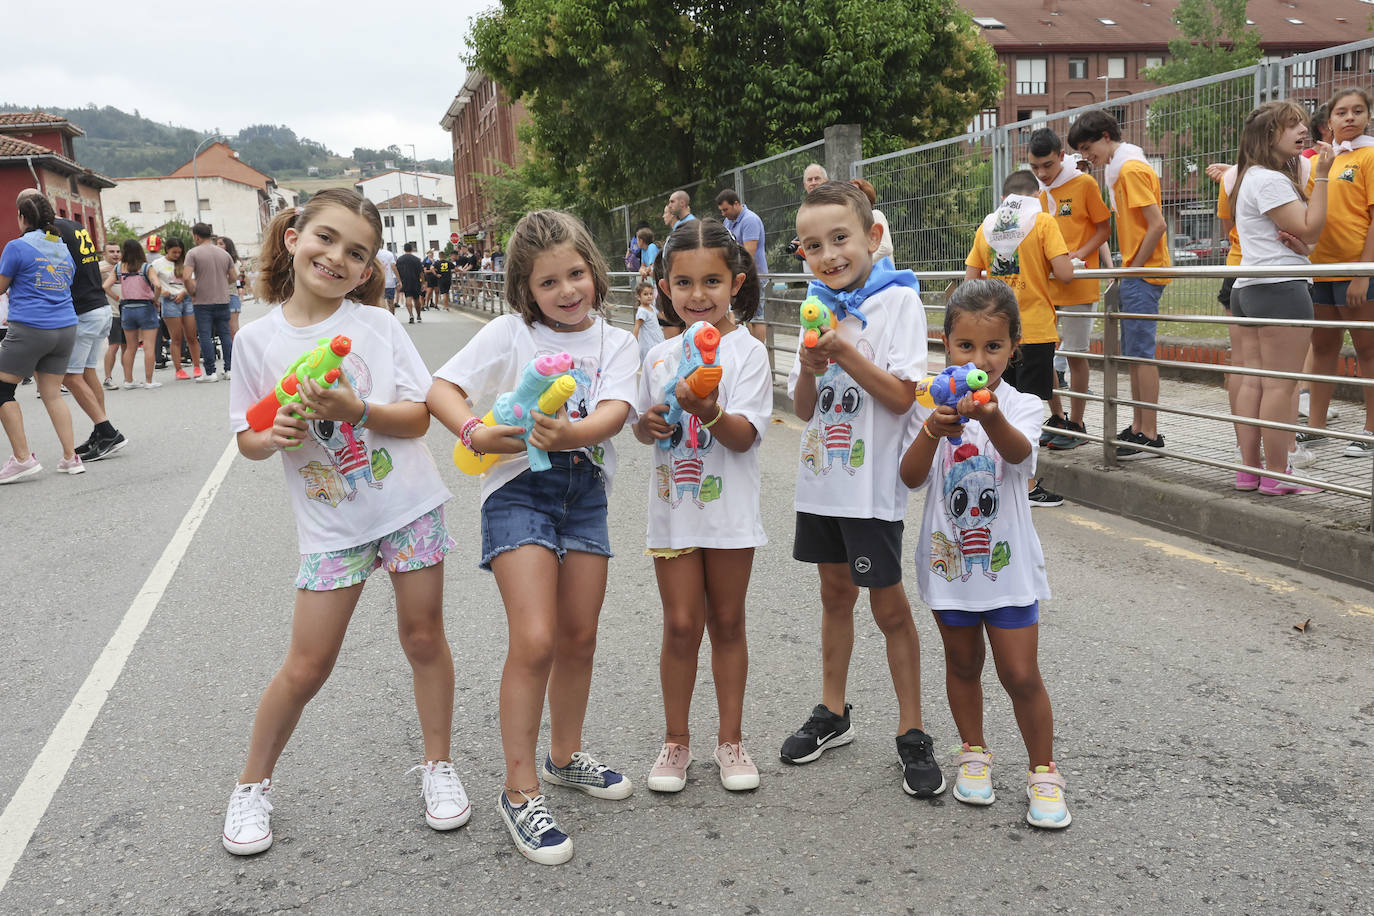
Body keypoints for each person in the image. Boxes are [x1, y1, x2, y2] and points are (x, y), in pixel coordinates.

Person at [221, 188, 466, 856]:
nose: (336, 258)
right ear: (293, 237)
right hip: (330, 527)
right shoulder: (256, 341)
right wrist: (273, 437)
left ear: (366, 270)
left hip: (408, 507)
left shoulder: (378, 326)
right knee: (307, 665)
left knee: (424, 639)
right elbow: (248, 436)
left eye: (357, 253)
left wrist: (357, 410)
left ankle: (439, 766)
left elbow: (417, 417)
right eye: (325, 238)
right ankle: (251, 785)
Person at [428, 209, 639, 866]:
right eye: (549, 282)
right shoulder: (509, 333)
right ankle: (519, 790)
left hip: (585, 493)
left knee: (579, 637)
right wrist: (474, 431)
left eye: (576, 274)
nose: (567, 290)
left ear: (594, 271)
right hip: (517, 490)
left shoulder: (617, 342)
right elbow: (441, 388)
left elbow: (615, 413)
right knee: (537, 639)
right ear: (526, 288)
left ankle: (564, 757)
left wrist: (572, 433)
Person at [781, 181, 944, 797]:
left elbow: (903, 396)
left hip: (871, 488)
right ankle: (833, 711)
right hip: (822, 482)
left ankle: (912, 730)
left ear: (873, 236)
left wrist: (842, 352)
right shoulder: (816, 305)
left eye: (840, 238)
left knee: (888, 607)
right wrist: (809, 366)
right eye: (813, 246)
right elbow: (803, 408)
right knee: (834, 596)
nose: (828, 255)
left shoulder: (899, 300)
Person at [897, 278, 1071, 830]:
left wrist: (990, 416)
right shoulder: (929, 403)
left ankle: (1043, 772)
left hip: (1008, 568)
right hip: (950, 567)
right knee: (962, 663)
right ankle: (973, 753)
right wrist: (932, 428)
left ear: (1014, 347)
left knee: (1020, 673)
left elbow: (1019, 459)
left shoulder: (1024, 405)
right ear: (945, 344)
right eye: (966, 346)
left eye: (993, 347)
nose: (979, 360)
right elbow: (910, 477)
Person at [633, 219, 772, 794]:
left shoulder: (749, 353)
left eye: (711, 281)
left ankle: (730, 740)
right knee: (681, 624)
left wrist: (708, 408)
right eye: (684, 282)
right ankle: (676, 740)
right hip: (674, 512)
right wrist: (647, 425)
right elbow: (644, 426)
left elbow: (744, 437)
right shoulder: (659, 356)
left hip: (731, 516)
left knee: (728, 622)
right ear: (664, 286)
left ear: (735, 283)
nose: (697, 295)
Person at [1229, 101, 1333, 494]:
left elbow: (1298, 237)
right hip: (1280, 288)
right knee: (1279, 386)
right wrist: (1322, 176)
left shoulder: (1250, 176)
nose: (1303, 130)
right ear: (1267, 135)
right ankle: (1277, 474)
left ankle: (1250, 471)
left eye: (1302, 123)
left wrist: (1303, 247)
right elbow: (1310, 227)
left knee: (1254, 382)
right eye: (1291, 125)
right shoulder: (1270, 179)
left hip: (1250, 286)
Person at [964, 170, 1075, 507]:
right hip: (1035, 329)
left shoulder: (987, 226)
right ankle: (1026, 485)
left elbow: (971, 279)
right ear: (1036, 195)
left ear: (1005, 198)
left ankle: (995, 474)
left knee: (997, 404)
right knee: (1027, 409)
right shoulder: (1043, 222)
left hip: (997, 333)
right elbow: (1065, 273)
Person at [1069, 110, 1171, 459]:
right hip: (1135, 271)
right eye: (1081, 151)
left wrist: (1132, 269)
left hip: (1141, 272)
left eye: (1088, 147)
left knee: (1141, 355)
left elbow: (1157, 224)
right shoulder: (1122, 168)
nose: (1087, 156)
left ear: (1106, 136)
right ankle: (1140, 427)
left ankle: (1149, 431)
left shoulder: (1129, 169)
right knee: (1134, 355)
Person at [1026, 129, 1113, 451]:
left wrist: (1079, 254)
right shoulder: (1039, 195)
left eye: (1048, 165)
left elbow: (1104, 229)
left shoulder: (1084, 184)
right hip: (1045, 287)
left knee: (1076, 354)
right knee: (1043, 353)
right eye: (1035, 167)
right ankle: (1058, 416)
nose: (1042, 173)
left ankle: (1077, 423)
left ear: (1062, 156)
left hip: (1079, 283)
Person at [29, 191, 129, 461]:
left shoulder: (52, 233)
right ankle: (101, 430)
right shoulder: (74, 225)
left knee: (70, 377)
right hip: (99, 306)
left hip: (84, 309)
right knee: (86, 373)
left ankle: (107, 431)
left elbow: (51, 267)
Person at [1303, 87, 1374, 457]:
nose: (1349, 117)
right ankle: (1315, 428)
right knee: (1323, 348)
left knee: (1367, 350)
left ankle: (1370, 429)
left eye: (1357, 111)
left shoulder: (1370, 155)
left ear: (1368, 117)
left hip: (1356, 271)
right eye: (1341, 112)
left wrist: (1363, 273)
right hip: (1320, 271)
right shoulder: (1320, 161)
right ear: (1328, 121)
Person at [0, 191, 82, 481]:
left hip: (31, 327)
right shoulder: (61, 247)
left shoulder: (16, 246)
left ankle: (23, 459)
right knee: (52, 393)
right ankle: (71, 457)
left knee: (2, 390)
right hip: (66, 327)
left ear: (23, 217)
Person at [104, 240, 164, 389]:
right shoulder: (146, 267)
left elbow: (105, 286)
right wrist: (155, 299)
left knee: (130, 347)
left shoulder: (119, 267)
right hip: (145, 307)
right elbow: (157, 285)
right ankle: (149, 381)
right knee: (149, 346)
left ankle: (128, 380)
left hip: (127, 309)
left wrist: (117, 298)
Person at [183, 223, 237, 382]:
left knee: (205, 335)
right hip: (222, 299)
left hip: (202, 301)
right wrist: (222, 284)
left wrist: (192, 291)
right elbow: (234, 276)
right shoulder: (224, 254)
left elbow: (186, 277)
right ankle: (229, 369)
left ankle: (210, 372)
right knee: (225, 334)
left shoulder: (193, 253)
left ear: (196, 236)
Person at [715, 189, 770, 344]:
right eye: (721, 211)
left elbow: (748, 253)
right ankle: (744, 347)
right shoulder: (728, 221)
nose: (723, 214)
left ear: (736, 204)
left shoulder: (750, 220)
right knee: (740, 316)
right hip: (737, 276)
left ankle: (759, 350)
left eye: (725, 209)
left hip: (754, 277)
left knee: (757, 317)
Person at [151, 237, 199, 379]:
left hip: (186, 299)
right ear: (167, 249)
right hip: (169, 301)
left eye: (179, 252)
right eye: (174, 252)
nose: (177, 255)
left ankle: (197, 366)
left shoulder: (186, 262)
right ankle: (179, 370)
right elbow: (152, 281)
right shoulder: (157, 263)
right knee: (176, 338)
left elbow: (193, 280)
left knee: (192, 336)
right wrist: (160, 292)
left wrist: (184, 292)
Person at [849, 178, 893, 264]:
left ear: (866, 197)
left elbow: (886, 248)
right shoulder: (854, 223)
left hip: (880, 271)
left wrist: (862, 263)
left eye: (856, 193)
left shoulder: (875, 215)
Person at [100, 242, 124, 390]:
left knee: (127, 346)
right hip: (111, 312)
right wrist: (100, 271)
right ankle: (107, 378)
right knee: (114, 345)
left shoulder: (123, 266)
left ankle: (128, 378)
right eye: (111, 251)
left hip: (126, 311)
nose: (115, 254)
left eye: (117, 251)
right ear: (104, 254)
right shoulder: (99, 267)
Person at [217, 235, 246, 345]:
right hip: (218, 298)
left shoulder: (235, 262)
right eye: (217, 243)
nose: (218, 246)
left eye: (221, 244)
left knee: (233, 330)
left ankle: (238, 350)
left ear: (228, 246)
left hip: (231, 296)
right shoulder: (216, 260)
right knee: (224, 332)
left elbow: (233, 278)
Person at [631, 278, 664, 360]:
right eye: (645, 294)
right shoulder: (642, 311)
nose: (649, 296)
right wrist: (634, 343)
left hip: (656, 337)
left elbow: (661, 316)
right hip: (648, 341)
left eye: (651, 294)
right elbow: (636, 328)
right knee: (652, 359)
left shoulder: (651, 307)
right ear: (639, 297)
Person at [396, 242, 424, 323]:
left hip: (405, 281)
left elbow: (397, 272)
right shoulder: (416, 259)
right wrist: (423, 283)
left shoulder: (400, 259)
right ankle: (418, 315)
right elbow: (421, 272)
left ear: (404, 249)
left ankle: (411, 315)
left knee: (408, 297)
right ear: (411, 249)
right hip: (416, 281)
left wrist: (399, 281)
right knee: (416, 299)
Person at [376, 244, 400, 314]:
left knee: (380, 301)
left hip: (378, 282)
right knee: (391, 302)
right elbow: (393, 267)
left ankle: (383, 317)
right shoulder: (389, 254)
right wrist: (399, 280)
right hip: (389, 282)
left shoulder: (374, 254)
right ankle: (392, 317)